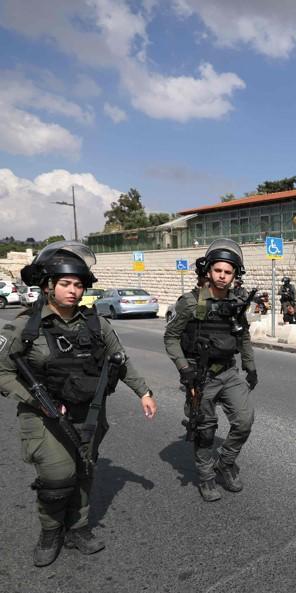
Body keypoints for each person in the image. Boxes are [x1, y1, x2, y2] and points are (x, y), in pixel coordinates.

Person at [0, 241, 157, 566]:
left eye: (79, 285)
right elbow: (3, 371)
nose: (74, 291)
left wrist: (143, 392)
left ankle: (78, 528)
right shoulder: (23, 327)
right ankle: (50, 531)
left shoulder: (97, 325)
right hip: (44, 417)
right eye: (66, 284)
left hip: (89, 413)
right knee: (58, 478)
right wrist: (34, 399)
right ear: (48, 286)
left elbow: (121, 361)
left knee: (84, 470)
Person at [164, 239, 257, 502]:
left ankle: (225, 463)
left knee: (245, 420)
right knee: (205, 430)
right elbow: (171, 338)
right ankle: (206, 478)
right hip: (200, 375)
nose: (223, 277)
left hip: (229, 372)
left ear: (235, 275)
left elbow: (244, 336)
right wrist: (185, 369)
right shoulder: (190, 303)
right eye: (219, 271)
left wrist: (250, 367)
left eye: (228, 272)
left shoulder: (237, 302)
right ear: (208, 271)